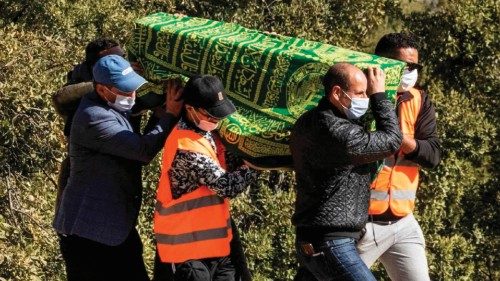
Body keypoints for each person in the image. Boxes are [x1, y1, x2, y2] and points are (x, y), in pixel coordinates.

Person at [53, 54, 183, 281]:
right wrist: (170, 114)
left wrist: (159, 112)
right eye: (125, 91)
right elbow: (142, 150)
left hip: (113, 229)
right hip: (89, 236)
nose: (132, 96)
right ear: (103, 90)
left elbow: (139, 137)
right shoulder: (93, 118)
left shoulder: (111, 106)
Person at [290, 63, 403, 281]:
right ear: (337, 93)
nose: (365, 98)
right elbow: (392, 140)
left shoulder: (309, 120)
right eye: (360, 93)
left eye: (367, 93)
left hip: (315, 238)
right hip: (330, 241)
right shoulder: (339, 134)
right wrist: (379, 96)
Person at [153, 75, 258, 281]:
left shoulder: (206, 134)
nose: (215, 121)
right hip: (187, 253)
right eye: (210, 116)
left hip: (217, 249)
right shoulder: (185, 146)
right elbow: (226, 186)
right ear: (190, 109)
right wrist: (258, 165)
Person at [357, 33, 442, 281]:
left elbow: (433, 155)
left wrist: (400, 139)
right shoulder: (357, 97)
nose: (410, 72)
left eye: (414, 66)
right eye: (403, 65)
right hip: (362, 225)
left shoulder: (419, 100)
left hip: (403, 222)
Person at [52, 38, 126, 213]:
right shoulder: (81, 82)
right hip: (81, 174)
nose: (120, 63)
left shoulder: (122, 86)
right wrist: (102, 84)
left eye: (122, 58)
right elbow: (59, 97)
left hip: (115, 177)